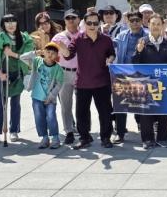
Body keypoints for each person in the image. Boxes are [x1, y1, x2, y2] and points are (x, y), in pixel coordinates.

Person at [58, 10, 116, 149]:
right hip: (83, 82)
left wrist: (110, 59)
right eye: (89, 23)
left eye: (95, 23)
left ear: (99, 23)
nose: (92, 26)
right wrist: (64, 50)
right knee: (81, 113)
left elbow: (111, 53)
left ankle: (106, 138)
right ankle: (84, 138)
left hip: (102, 82)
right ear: (84, 24)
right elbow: (69, 54)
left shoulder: (106, 39)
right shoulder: (78, 39)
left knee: (105, 112)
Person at [0, 14, 34, 144]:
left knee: (15, 103)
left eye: (13, 21)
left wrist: (11, 54)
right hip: (3, 74)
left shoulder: (25, 38)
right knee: (0, 102)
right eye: (7, 22)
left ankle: (14, 130)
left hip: (18, 73)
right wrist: (0, 74)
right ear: (3, 25)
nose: (10, 24)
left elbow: (26, 57)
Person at [133, 13, 167, 149]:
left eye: (158, 24)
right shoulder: (142, 42)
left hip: (163, 83)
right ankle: (147, 139)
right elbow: (134, 63)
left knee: (164, 111)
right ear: (148, 25)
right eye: (153, 24)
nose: (156, 26)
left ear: (162, 26)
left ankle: (162, 138)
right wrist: (138, 52)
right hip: (146, 83)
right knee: (146, 113)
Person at [112, 11, 148, 143]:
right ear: (128, 22)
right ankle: (120, 133)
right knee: (120, 105)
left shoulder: (147, 36)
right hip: (123, 74)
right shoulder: (122, 35)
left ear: (141, 21)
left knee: (141, 105)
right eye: (132, 20)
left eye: (137, 20)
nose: (135, 23)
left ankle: (144, 131)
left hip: (141, 75)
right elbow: (111, 45)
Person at [20, 42, 64, 149]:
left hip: (50, 98)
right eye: (48, 52)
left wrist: (51, 96)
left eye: (53, 53)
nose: (50, 55)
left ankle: (55, 138)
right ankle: (44, 138)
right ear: (43, 52)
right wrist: (35, 53)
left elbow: (59, 84)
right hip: (37, 96)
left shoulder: (58, 68)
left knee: (51, 116)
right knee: (39, 117)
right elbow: (22, 57)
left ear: (57, 55)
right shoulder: (37, 61)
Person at [51, 9, 80, 145]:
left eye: (73, 17)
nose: (71, 20)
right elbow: (51, 56)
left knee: (82, 104)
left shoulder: (84, 35)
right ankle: (69, 131)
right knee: (66, 104)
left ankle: (82, 129)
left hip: (81, 73)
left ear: (78, 19)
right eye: (68, 18)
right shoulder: (58, 37)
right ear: (64, 20)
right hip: (64, 72)